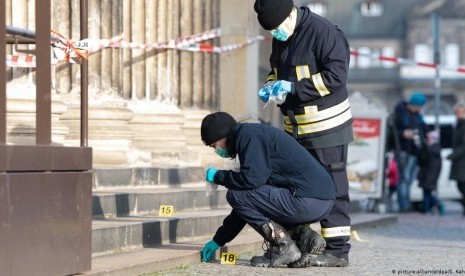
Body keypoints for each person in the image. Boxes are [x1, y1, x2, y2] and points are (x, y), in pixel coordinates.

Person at [254, 0, 353, 267]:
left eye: (276, 28)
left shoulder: (323, 32)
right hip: (296, 129)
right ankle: (298, 245)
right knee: (294, 188)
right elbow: (277, 70)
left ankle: (337, 251)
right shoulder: (282, 36)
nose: (275, 34)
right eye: (271, 31)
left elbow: (335, 76)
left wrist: (294, 89)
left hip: (328, 126)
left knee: (333, 188)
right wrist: (271, 86)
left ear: (290, 15)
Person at [199, 112, 336, 268]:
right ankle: (305, 238)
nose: (217, 150)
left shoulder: (247, 137)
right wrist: (219, 240)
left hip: (306, 200)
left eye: (214, 146)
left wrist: (218, 176)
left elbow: (250, 181)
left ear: (222, 136)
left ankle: (283, 247)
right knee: (249, 196)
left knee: (235, 194)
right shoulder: (254, 134)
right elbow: (250, 201)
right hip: (321, 201)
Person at [392, 92, 428, 212]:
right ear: (413, 104)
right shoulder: (399, 113)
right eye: (418, 106)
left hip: (414, 151)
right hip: (402, 150)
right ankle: (404, 205)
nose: (419, 109)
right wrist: (403, 134)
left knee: (409, 179)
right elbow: (392, 132)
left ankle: (406, 202)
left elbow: (423, 129)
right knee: (404, 178)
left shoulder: (417, 116)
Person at [417, 130, 445, 215]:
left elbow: (423, 159)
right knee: (427, 192)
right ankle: (429, 207)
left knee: (427, 192)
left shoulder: (431, 150)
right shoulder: (434, 150)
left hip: (428, 175)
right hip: (427, 175)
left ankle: (428, 207)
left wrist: (423, 146)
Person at [447, 102, 465, 216]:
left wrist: (453, 155)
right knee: (461, 185)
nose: (457, 114)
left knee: (462, 185)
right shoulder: (458, 125)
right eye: (456, 112)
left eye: (459, 112)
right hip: (460, 161)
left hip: (462, 161)